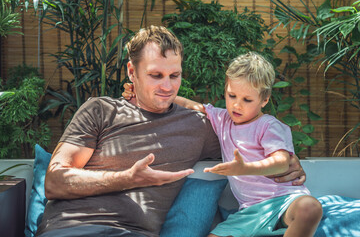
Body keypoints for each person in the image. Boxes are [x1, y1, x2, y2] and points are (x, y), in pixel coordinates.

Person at [36, 26, 306, 237]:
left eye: (174, 76)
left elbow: (250, 141)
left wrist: (288, 163)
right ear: (132, 71)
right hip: (71, 229)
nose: (167, 87)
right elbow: (55, 182)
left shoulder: (197, 126)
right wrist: (128, 178)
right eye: (156, 75)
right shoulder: (100, 110)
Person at [125, 52, 322, 237]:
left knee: (310, 207)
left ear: (265, 99)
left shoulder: (269, 125)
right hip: (249, 213)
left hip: (284, 201)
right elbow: (190, 105)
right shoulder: (222, 119)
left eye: (247, 99)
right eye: (232, 95)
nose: (237, 105)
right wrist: (144, 93)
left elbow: (281, 162)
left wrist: (246, 168)